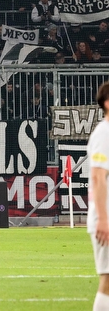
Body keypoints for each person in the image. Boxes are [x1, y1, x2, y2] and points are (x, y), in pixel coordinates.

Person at [88, 81, 109, 310]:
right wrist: (103, 219)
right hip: (106, 218)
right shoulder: (104, 133)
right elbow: (97, 177)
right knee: (108, 279)